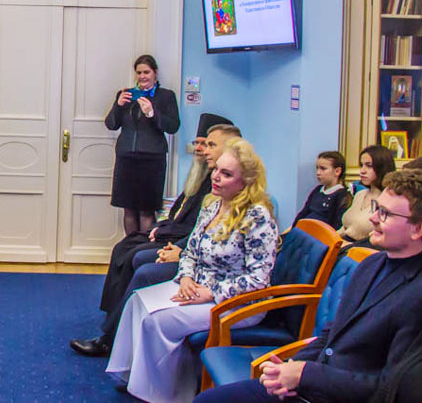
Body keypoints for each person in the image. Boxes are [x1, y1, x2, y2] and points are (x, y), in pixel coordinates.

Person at [194, 168, 422, 403]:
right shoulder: (372, 264)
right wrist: (291, 366)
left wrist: (306, 374)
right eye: (376, 208)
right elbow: (332, 333)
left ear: (418, 228)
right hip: (313, 383)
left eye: (385, 214)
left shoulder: (416, 296)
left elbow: (389, 390)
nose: (373, 218)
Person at [106, 138, 279, 403]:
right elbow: (190, 252)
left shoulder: (257, 216)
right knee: (137, 301)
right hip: (196, 286)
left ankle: (165, 394)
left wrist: (210, 293)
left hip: (237, 302)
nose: (216, 177)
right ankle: (136, 377)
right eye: (217, 170)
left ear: (245, 182)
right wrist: (185, 277)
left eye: (226, 174)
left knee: (157, 321)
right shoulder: (212, 205)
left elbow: (259, 279)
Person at [70, 118, 237, 357]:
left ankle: (112, 337)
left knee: (140, 261)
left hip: (203, 268)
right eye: (201, 144)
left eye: (210, 145)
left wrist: (181, 253)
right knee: (124, 248)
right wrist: (172, 241)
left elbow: (212, 244)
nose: (203, 150)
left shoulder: (243, 206)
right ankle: (114, 319)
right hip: (187, 251)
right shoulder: (210, 187)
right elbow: (196, 231)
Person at [105, 54, 180, 235]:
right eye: (139, 73)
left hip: (152, 159)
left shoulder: (166, 96)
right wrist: (118, 105)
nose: (142, 76)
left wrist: (152, 113)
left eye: (146, 72)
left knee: (147, 210)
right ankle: (128, 248)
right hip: (126, 158)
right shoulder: (126, 95)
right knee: (128, 209)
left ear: (155, 73)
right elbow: (111, 124)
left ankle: (143, 248)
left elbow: (173, 126)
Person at [337, 144, 395, 247]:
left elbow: (384, 239)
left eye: (369, 166)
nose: (362, 171)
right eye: (361, 165)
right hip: (343, 246)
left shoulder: (389, 201)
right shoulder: (360, 194)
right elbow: (345, 228)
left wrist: (348, 246)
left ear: (382, 168)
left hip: (363, 250)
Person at [292, 150, 352, 230]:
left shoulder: (342, 196)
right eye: (317, 168)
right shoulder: (317, 190)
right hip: (304, 230)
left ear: (337, 171)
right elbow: (303, 213)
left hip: (320, 234)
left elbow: (337, 225)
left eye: (323, 169)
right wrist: (293, 230)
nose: (318, 173)